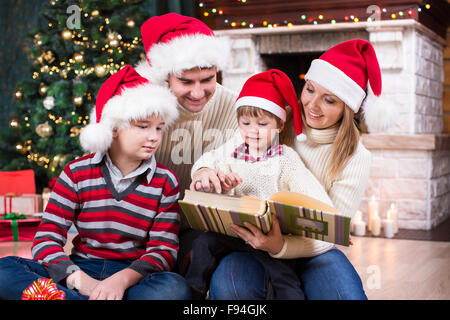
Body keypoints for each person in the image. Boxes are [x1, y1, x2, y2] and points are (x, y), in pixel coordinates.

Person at [190, 39, 394, 300]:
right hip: (251, 241)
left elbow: (332, 231)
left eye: (329, 100)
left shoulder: (355, 157)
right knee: (232, 288)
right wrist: (204, 171)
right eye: (309, 89)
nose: (312, 105)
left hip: (313, 248)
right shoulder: (267, 121)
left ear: (347, 107)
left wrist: (281, 246)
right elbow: (220, 156)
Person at [0, 65, 191, 300]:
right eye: (143, 127)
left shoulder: (165, 182)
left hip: (133, 278)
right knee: (4, 271)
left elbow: (163, 252)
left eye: (159, 128)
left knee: (174, 289)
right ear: (113, 129)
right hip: (81, 271)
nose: (154, 137)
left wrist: (120, 282)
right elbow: (46, 239)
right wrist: (80, 282)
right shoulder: (76, 173)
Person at [184, 69, 336, 299]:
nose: (252, 131)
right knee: (203, 244)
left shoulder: (286, 159)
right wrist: (206, 172)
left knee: (284, 278)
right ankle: (194, 291)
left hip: (270, 238)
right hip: (234, 232)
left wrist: (334, 223)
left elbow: (315, 198)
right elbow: (207, 160)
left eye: (262, 124)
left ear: (279, 125)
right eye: (245, 123)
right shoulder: (232, 150)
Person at [135, 13, 239, 195]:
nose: (198, 93)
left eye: (208, 79)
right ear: (166, 76)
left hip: (208, 218)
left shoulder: (234, 106)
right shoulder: (143, 107)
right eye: (186, 82)